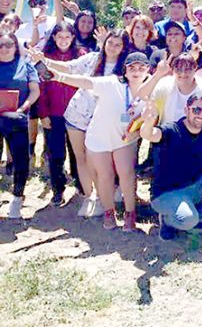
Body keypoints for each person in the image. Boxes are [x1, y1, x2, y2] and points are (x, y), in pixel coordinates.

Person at [49, 52, 151, 231]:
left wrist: (133, 136)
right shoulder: (111, 83)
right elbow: (84, 82)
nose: (136, 71)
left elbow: (148, 122)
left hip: (124, 139)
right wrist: (59, 76)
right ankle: (109, 212)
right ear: (125, 71)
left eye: (141, 67)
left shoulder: (151, 92)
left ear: (148, 70)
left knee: (127, 173)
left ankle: (129, 214)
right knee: (105, 176)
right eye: (132, 67)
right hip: (98, 138)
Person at [33, 29, 130, 217]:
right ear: (105, 43)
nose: (112, 47)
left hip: (105, 121)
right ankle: (89, 196)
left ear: (124, 48)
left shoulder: (126, 68)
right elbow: (68, 67)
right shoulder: (92, 59)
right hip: (77, 116)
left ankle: (106, 196)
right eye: (110, 43)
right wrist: (43, 60)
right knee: (82, 157)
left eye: (118, 44)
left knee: (103, 161)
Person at [141, 94, 202, 240]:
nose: (201, 115)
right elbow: (150, 134)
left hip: (195, 187)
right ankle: (167, 220)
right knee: (188, 220)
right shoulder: (171, 130)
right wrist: (148, 122)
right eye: (196, 110)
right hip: (167, 194)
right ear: (187, 110)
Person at [37, 22, 83, 205]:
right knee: (56, 153)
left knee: (77, 153)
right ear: (54, 37)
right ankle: (58, 189)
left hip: (77, 114)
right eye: (60, 37)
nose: (63, 40)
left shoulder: (81, 56)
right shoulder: (46, 58)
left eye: (67, 37)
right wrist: (43, 114)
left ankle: (81, 186)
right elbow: (41, 87)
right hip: (54, 114)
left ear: (73, 38)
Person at [0, 33, 39, 219]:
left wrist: (23, 108)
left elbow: (34, 91)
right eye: (1, 44)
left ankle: (17, 198)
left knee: (21, 160)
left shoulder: (26, 65)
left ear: (16, 46)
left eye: (9, 44)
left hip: (17, 118)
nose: (4, 48)